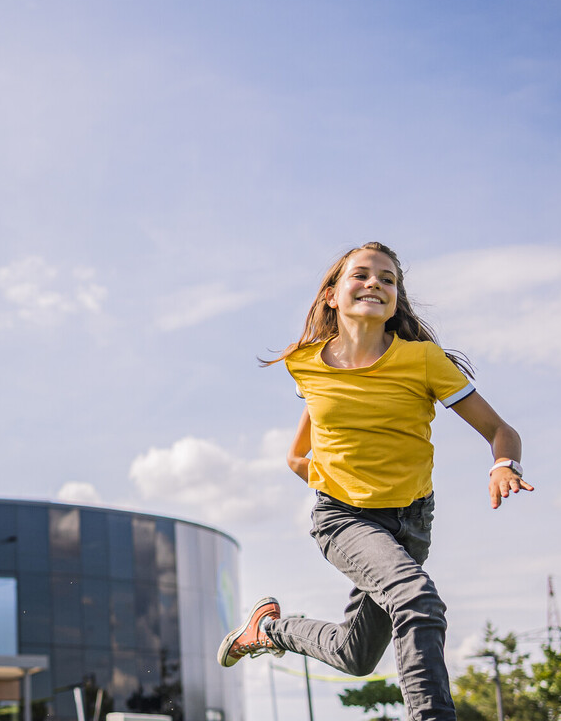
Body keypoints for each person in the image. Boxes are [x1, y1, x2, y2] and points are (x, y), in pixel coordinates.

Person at [217, 242, 534, 721]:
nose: (375, 284)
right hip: (344, 519)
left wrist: (504, 465)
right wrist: (339, 484)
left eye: (388, 280)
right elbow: (298, 454)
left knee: (355, 655)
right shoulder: (305, 362)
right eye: (361, 275)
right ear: (332, 295)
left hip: (411, 523)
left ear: (396, 299)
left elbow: (499, 430)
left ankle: (269, 632)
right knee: (418, 600)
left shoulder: (423, 361)